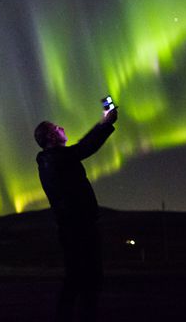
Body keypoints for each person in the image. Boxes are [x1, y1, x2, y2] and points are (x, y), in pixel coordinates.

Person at [34, 104, 118, 322]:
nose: (61, 127)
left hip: (73, 227)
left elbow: (80, 148)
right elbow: (84, 148)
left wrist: (102, 124)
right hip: (78, 227)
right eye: (56, 128)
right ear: (51, 137)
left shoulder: (53, 159)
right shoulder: (56, 158)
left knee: (77, 277)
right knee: (87, 277)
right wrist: (106, 124)